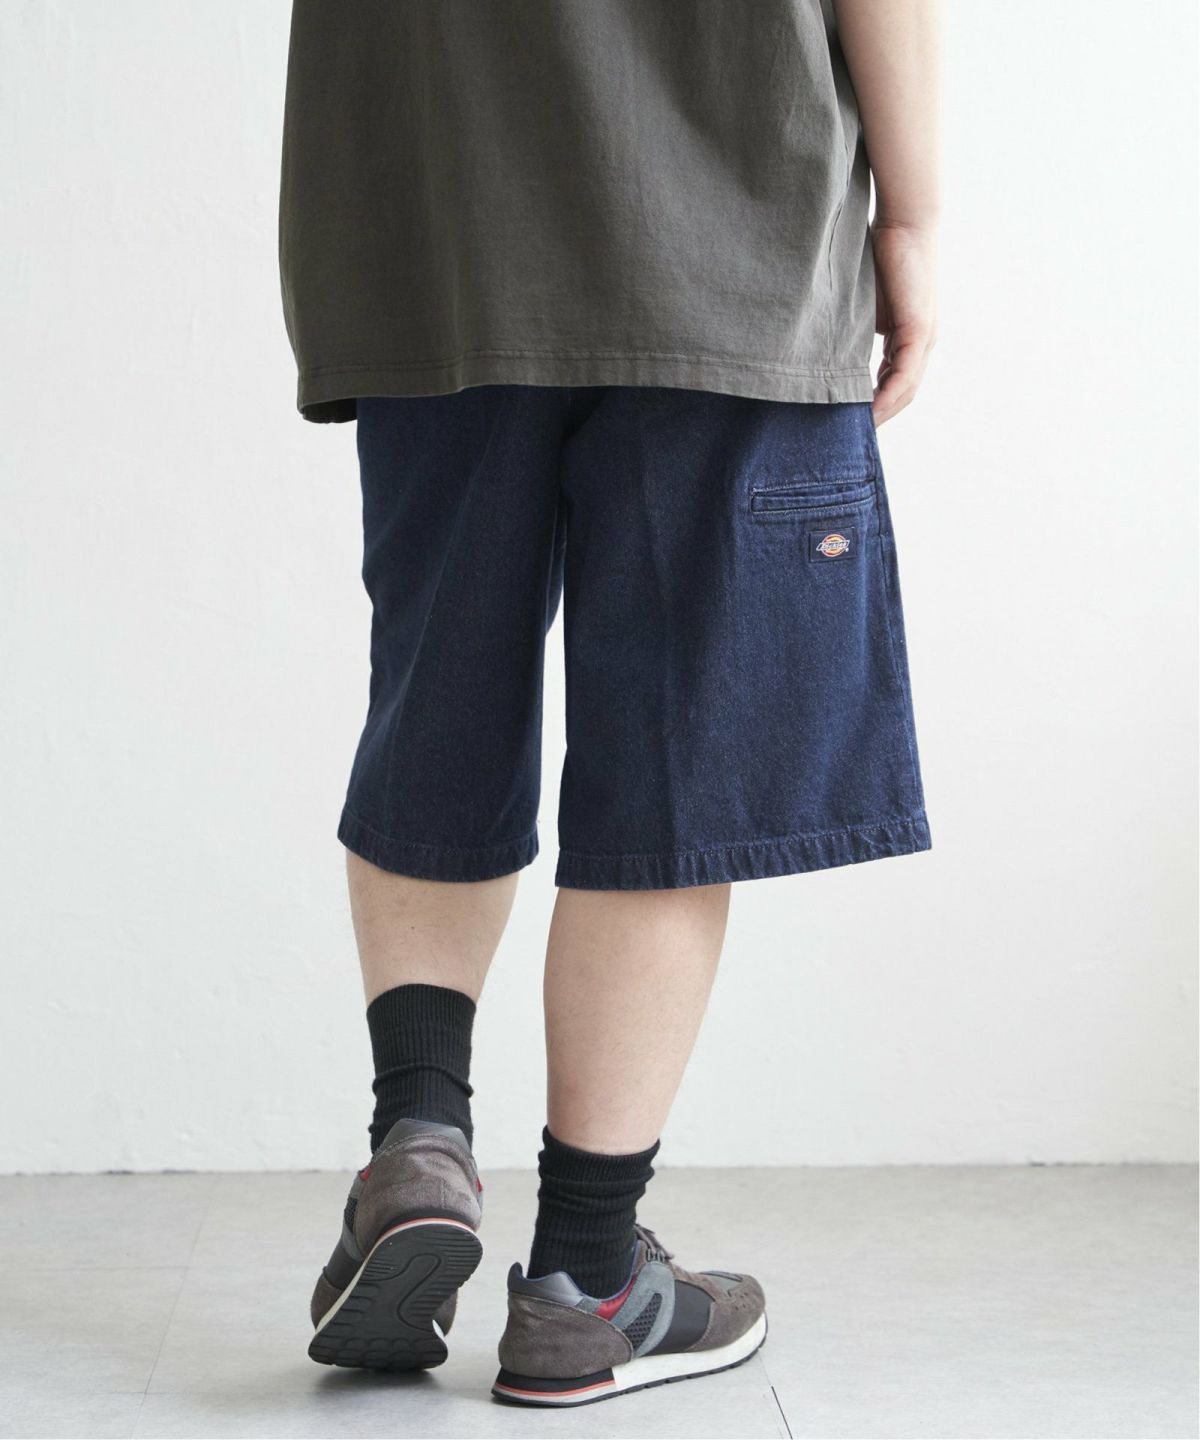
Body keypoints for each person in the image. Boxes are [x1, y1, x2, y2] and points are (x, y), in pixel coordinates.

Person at [279, 0, 938, 1408]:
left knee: (438, 703)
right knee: (677, 764)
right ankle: (586, 1279)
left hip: (429, 221)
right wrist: (918, 218)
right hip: (727, 228)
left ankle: (418, 1145)